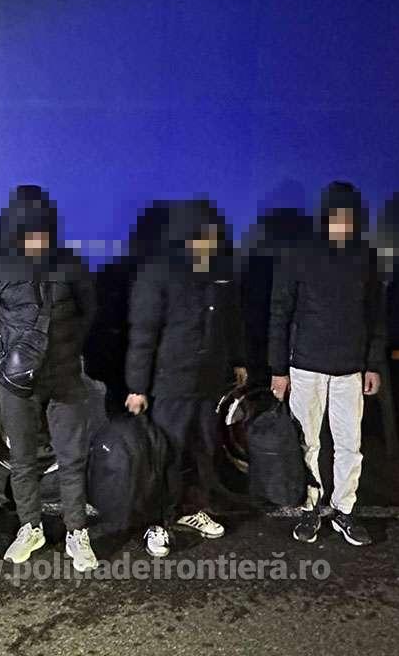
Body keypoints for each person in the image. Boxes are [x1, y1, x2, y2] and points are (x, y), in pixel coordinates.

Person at [0, 185, 99, 572]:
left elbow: (89, 311)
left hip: (65, 377)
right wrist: (8, 355)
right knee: (22, 460)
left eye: (43, 229)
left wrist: (67, 348)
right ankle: (30, 527)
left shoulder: (70, 263)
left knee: (72, 459)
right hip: (16, 381)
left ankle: (77, 532)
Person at [125, 200, 247, 557]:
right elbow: (143, 332)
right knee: (166, 455)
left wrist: (238, 360)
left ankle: (192, 509)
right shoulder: (158, 271)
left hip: (209, 382)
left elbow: (232, 320)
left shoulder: (220, 271)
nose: (206, 241)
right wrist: (137, 387)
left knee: (204, 450)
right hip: (170, 383)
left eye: (211, 235)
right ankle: (156, 522)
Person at [269, 182, 386, 546]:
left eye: (349, 215)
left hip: (350, 369)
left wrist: (373, 363)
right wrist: (278, 369)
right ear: (325, 216)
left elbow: (376, 314)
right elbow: (280, 311)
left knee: (350, 445)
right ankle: (311, 507)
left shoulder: (366, 256)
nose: (343, 222)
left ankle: (344, 509)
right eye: (336, 215)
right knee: (308, 443)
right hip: (305, 366)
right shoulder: (299, 252)